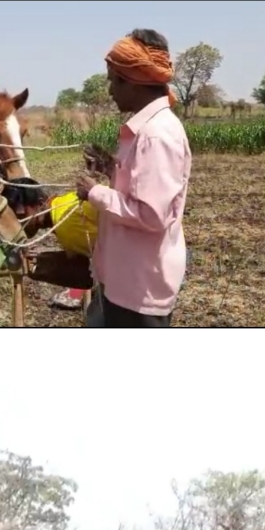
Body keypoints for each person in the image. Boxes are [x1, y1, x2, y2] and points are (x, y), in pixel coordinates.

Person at [74, 29, 192, 328]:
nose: (111, 90)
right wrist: (111, 168)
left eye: (114, 80)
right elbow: (141, 187)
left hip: (138, 292)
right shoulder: (146, 129)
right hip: (124, 281)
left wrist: (95, 192)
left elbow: (151, 214)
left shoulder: (156, 135)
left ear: (134, 81)